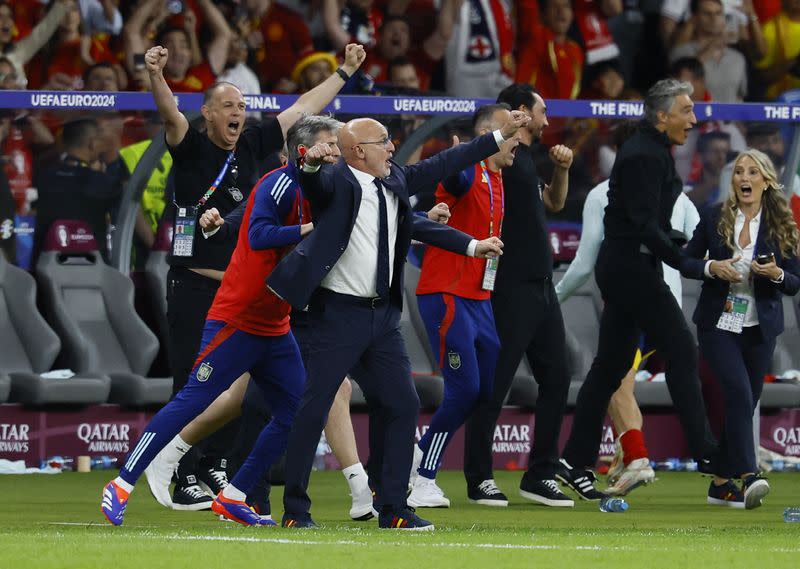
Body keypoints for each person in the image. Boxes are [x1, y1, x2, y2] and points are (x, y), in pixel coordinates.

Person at [267, 112, 528, 530]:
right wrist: (312, 161)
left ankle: (394, 508)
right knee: (312, 408)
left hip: (381, 317)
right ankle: (295, 511)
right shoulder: (337, 180)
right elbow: (310, 180)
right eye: (384, 141)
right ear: (357, 151)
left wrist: (498, 137)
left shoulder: (395, 180)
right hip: (334, 314)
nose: (393, 147)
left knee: (402, 403)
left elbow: (447, 162)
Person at [146, 41, 366, 509]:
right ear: (206, 112)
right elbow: (168, 113)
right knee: (194, 380)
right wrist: (155, 75)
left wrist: (345, 71)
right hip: (193, 283)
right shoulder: (188, 145)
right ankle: (183, 471)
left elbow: (305, 108)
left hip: (240, 288)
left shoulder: (252, 144)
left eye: (242, 106)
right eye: (228, 105)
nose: (238, 112)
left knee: (241, 385)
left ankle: (213, 465)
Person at [101, 116, 347, 527]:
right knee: (191, 401)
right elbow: (259, 235)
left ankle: (233, 495)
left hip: (275, 323)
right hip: (238, 318)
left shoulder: (323, 190)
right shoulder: (279, 183)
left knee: (293, 410)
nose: (336, 154)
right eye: (329, 146)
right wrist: (309, 229)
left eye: (338, 147)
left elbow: (244, 217)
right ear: (303, 151)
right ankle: (123, 482)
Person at [556, 78, 719, 500]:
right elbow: (647, 225)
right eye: (686, 110)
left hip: (626, 265)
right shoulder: (646, 156)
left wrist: (684, 252)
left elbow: (655, 224)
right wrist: (685, 261)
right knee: (681, 347)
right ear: (662, 116)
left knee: (609, 367)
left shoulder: (653, 153)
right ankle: (706, 452)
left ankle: (574, 459)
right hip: (631, 267)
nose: (694, 118)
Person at [462, 83, 575, 508]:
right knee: (496, 383)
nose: (548, 118)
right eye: (543, 110)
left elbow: (553, 204)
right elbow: (470, 170)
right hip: (509, 284)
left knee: (558, 378)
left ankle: (540, 472)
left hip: (543, 285)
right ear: (522, 112)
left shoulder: (523, 159)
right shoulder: (498, 154)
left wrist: (562, 169)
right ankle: (479, 478)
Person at [406, 104, 520, 508]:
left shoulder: (498, 177)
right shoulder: (468, 170)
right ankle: (423, 477)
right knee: (464, 389)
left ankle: (418, 455)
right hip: (446, 292)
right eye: (510, 132)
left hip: (480, 298)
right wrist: (462, 154)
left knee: (486, 390)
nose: (518, 141)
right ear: (489, 135)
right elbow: (452, 175)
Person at [681, 148, 800, 509]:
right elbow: (686, 260)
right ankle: (750, 476)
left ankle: (720, 482)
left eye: (751, 173)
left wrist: (775, 274)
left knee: (744, 404)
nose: (743, 178)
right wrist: (711, 267)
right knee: (738, 394)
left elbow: (794, 282)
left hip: (759, 327)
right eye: (738, 172)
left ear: (765, 181)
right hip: (719, 322)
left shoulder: (782, 222)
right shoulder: (714, 215)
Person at [32, 117, 121, 266]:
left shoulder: (43, 176)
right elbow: (127, 200)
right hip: (91, 264)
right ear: (92, 144)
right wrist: (112, 159)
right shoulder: (98, 181)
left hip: (46, 264)